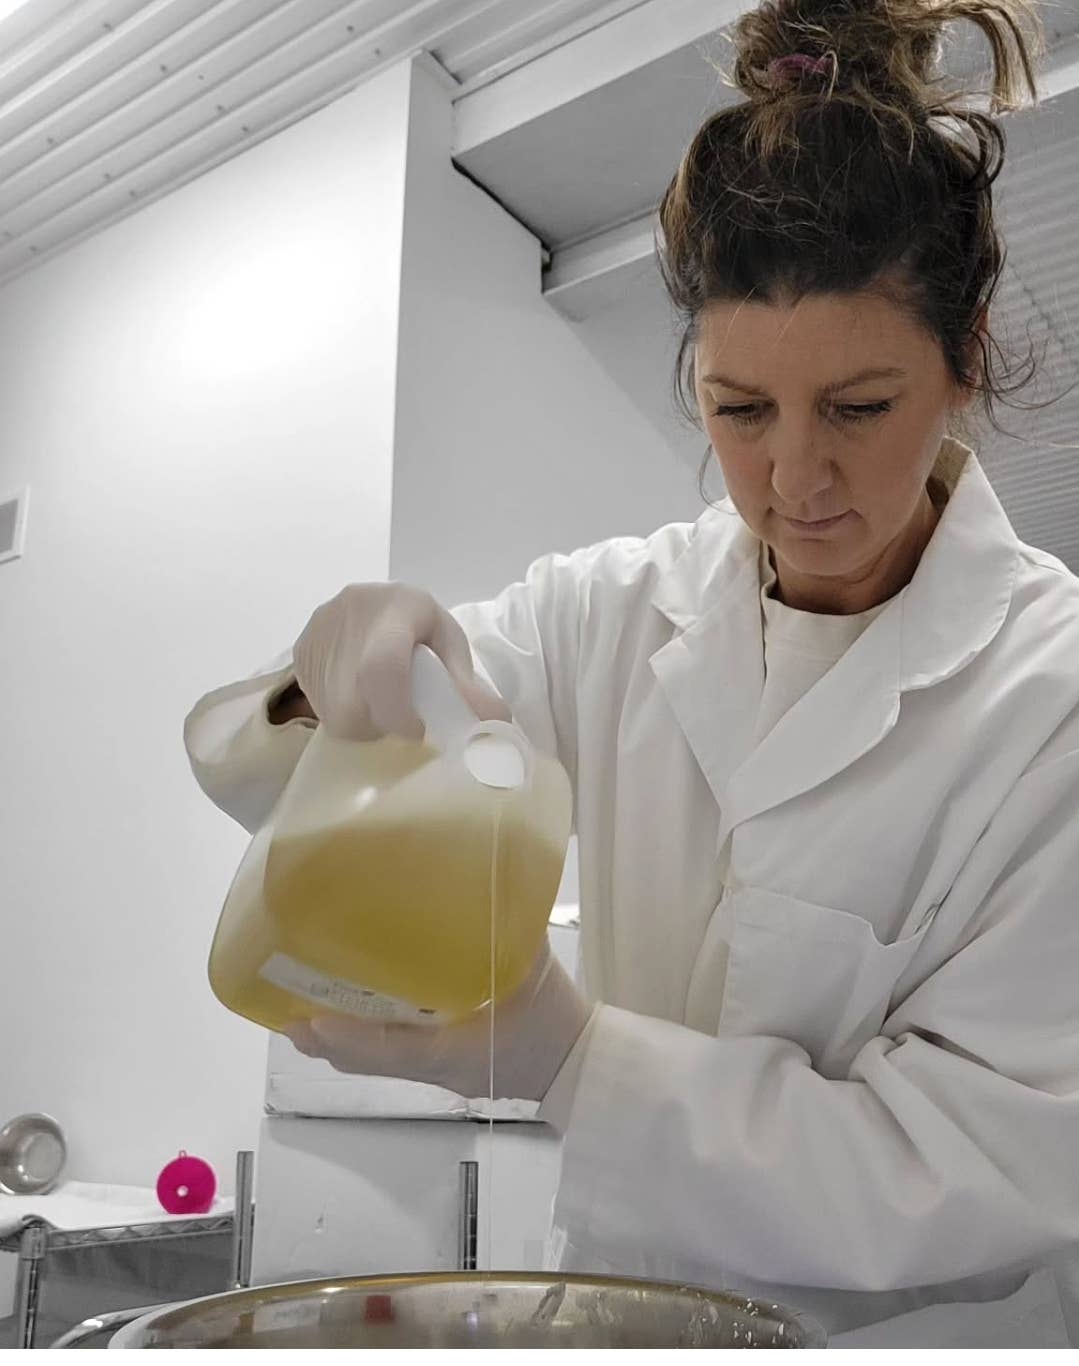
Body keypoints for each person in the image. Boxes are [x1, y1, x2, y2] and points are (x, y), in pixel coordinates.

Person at [183, 0, 1079, 1348]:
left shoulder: (1051, 702)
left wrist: (573, 1054)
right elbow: (265, 771)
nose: (795, 477)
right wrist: (329, 683)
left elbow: (973, 1167)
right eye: (739, 409)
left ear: (966, 360)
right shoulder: (604, 613)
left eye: (858, 407)